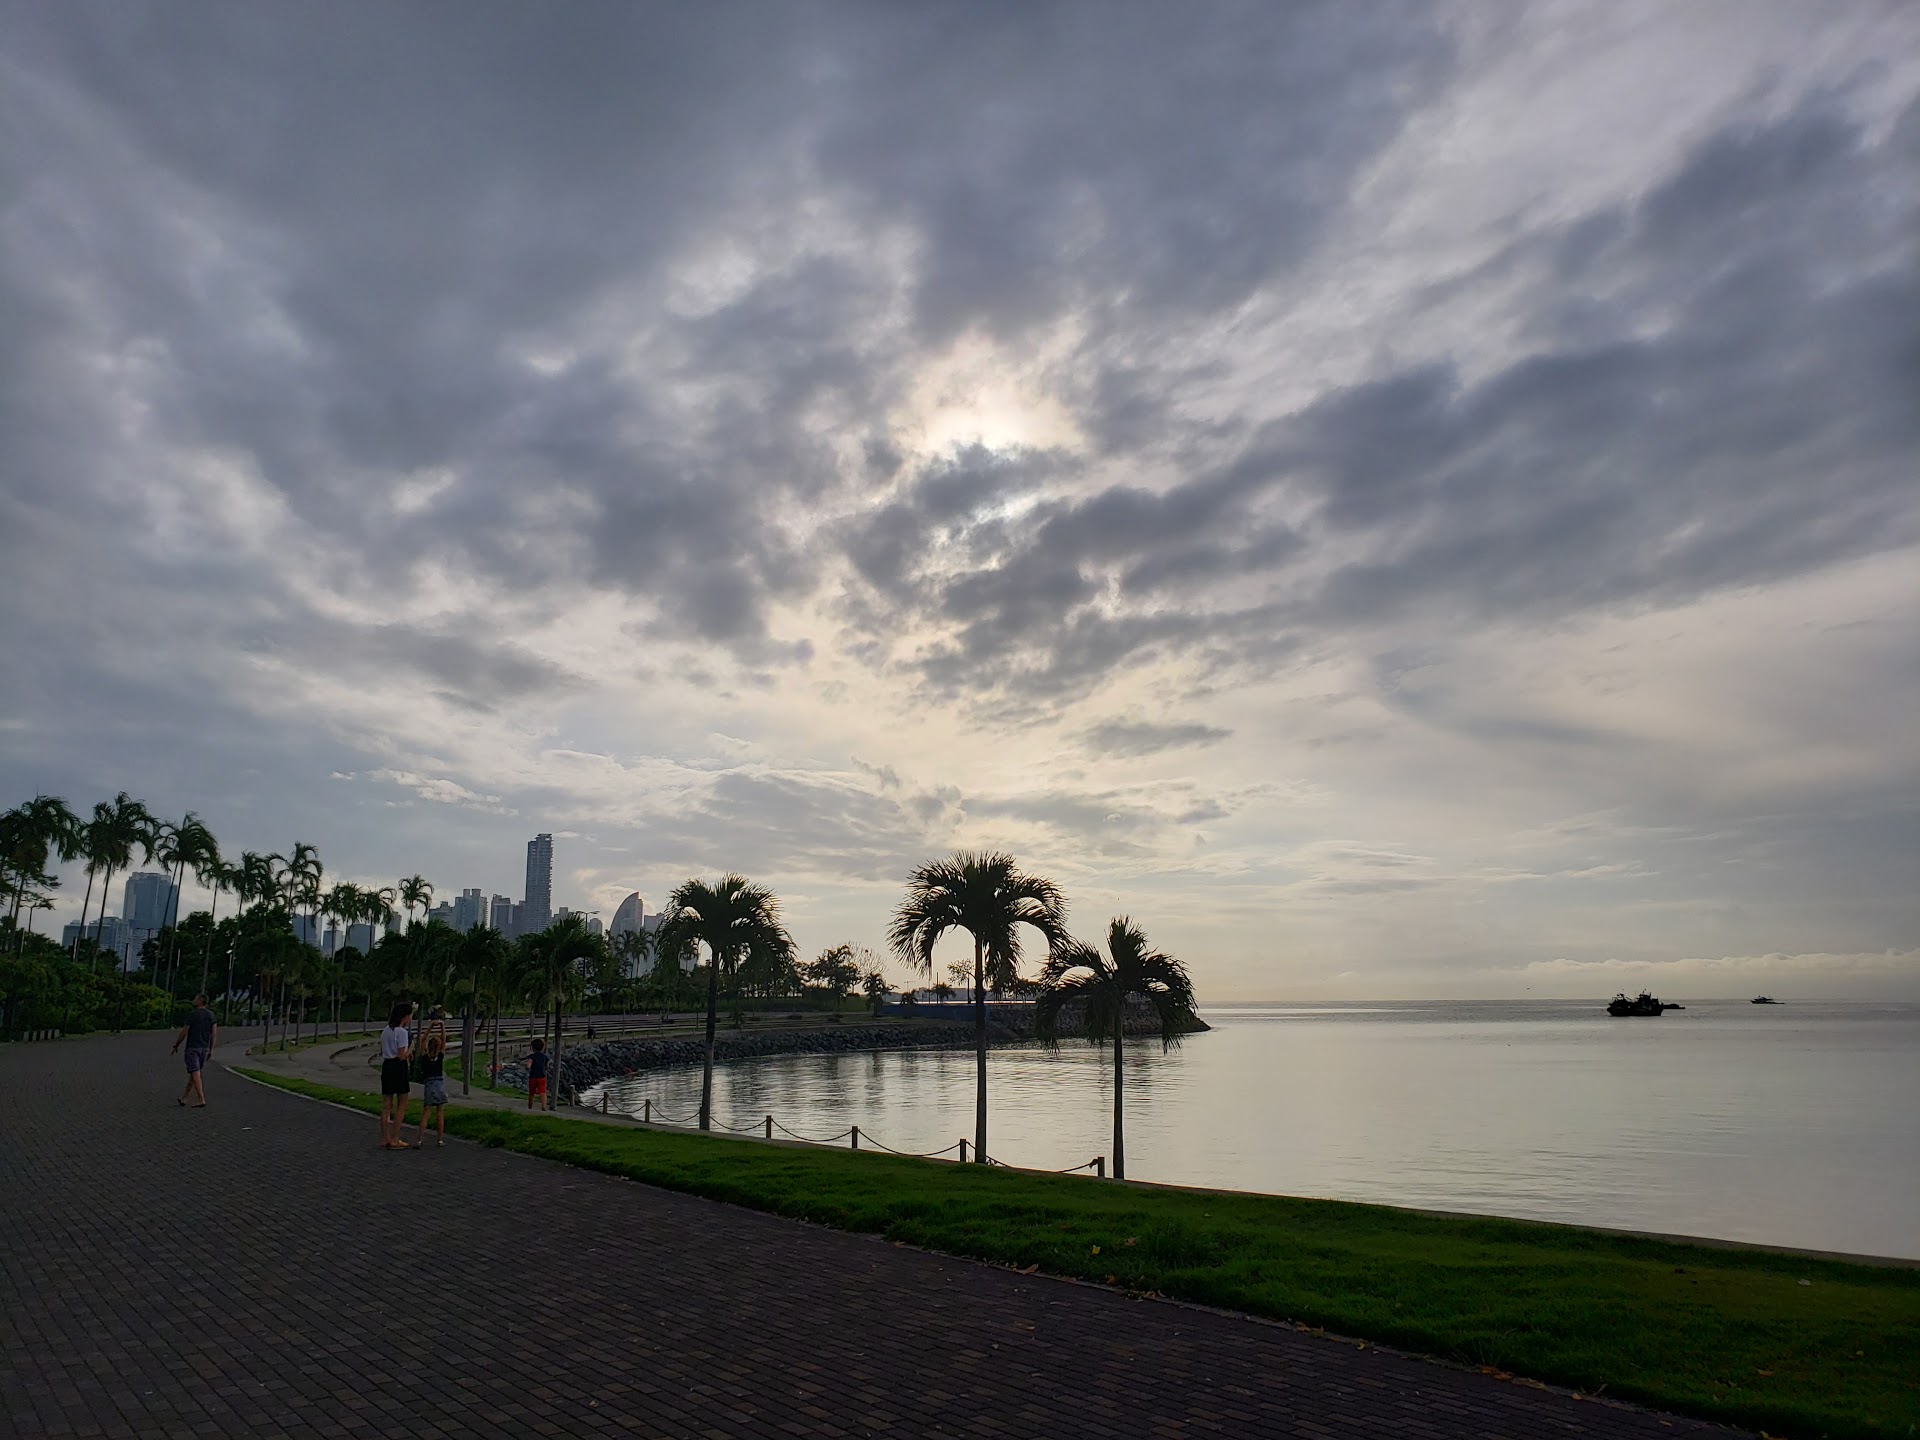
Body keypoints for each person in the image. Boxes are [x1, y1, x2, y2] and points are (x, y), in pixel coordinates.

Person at [171, 994, 218, 1107]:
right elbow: (214, 1034)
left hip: (193, 1047)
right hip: (204, 1048)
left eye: (196, 998)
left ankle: (201, 1099)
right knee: (194, 1073)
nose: (194, 1000)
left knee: (195, 1072)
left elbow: (184, 1032)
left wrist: (176, 1045)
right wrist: (211, 1049)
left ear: (201, 1000)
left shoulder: (192, 1015)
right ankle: (185, 1097)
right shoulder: (211, 1015)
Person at [378, 1002, 414, 1150]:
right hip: (398, 1067)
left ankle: (385, 1138)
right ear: (405, 1017)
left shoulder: (386, 1030)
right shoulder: (402, 1032)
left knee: (386, 1104)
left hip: (387, 1065)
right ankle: (395, 1138)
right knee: (401, 1104)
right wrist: (411, 1048)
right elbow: (401, 1055)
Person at [414, 1029, 449, 1147]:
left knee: (426, 1113)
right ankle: (440, 1139)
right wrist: (442, 1026)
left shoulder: (425, 1057)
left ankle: (419, 1140)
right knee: (439, 1113)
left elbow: (422, 1040)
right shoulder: (440, 1057)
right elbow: (444, 1040)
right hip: (439, 1084)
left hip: (429, 1084)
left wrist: (430, 1027)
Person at [521, 1037, 550, 1110]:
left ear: (533, 1048)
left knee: (531, 1092)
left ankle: (530, 1106)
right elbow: (547, 1066)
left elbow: (528, 1065)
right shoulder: (545, 1057)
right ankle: (543, 1106)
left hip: (533, 1076)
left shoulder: (532, 1056)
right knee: (542, 1091)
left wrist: (526, 1066)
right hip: (542, 1076)